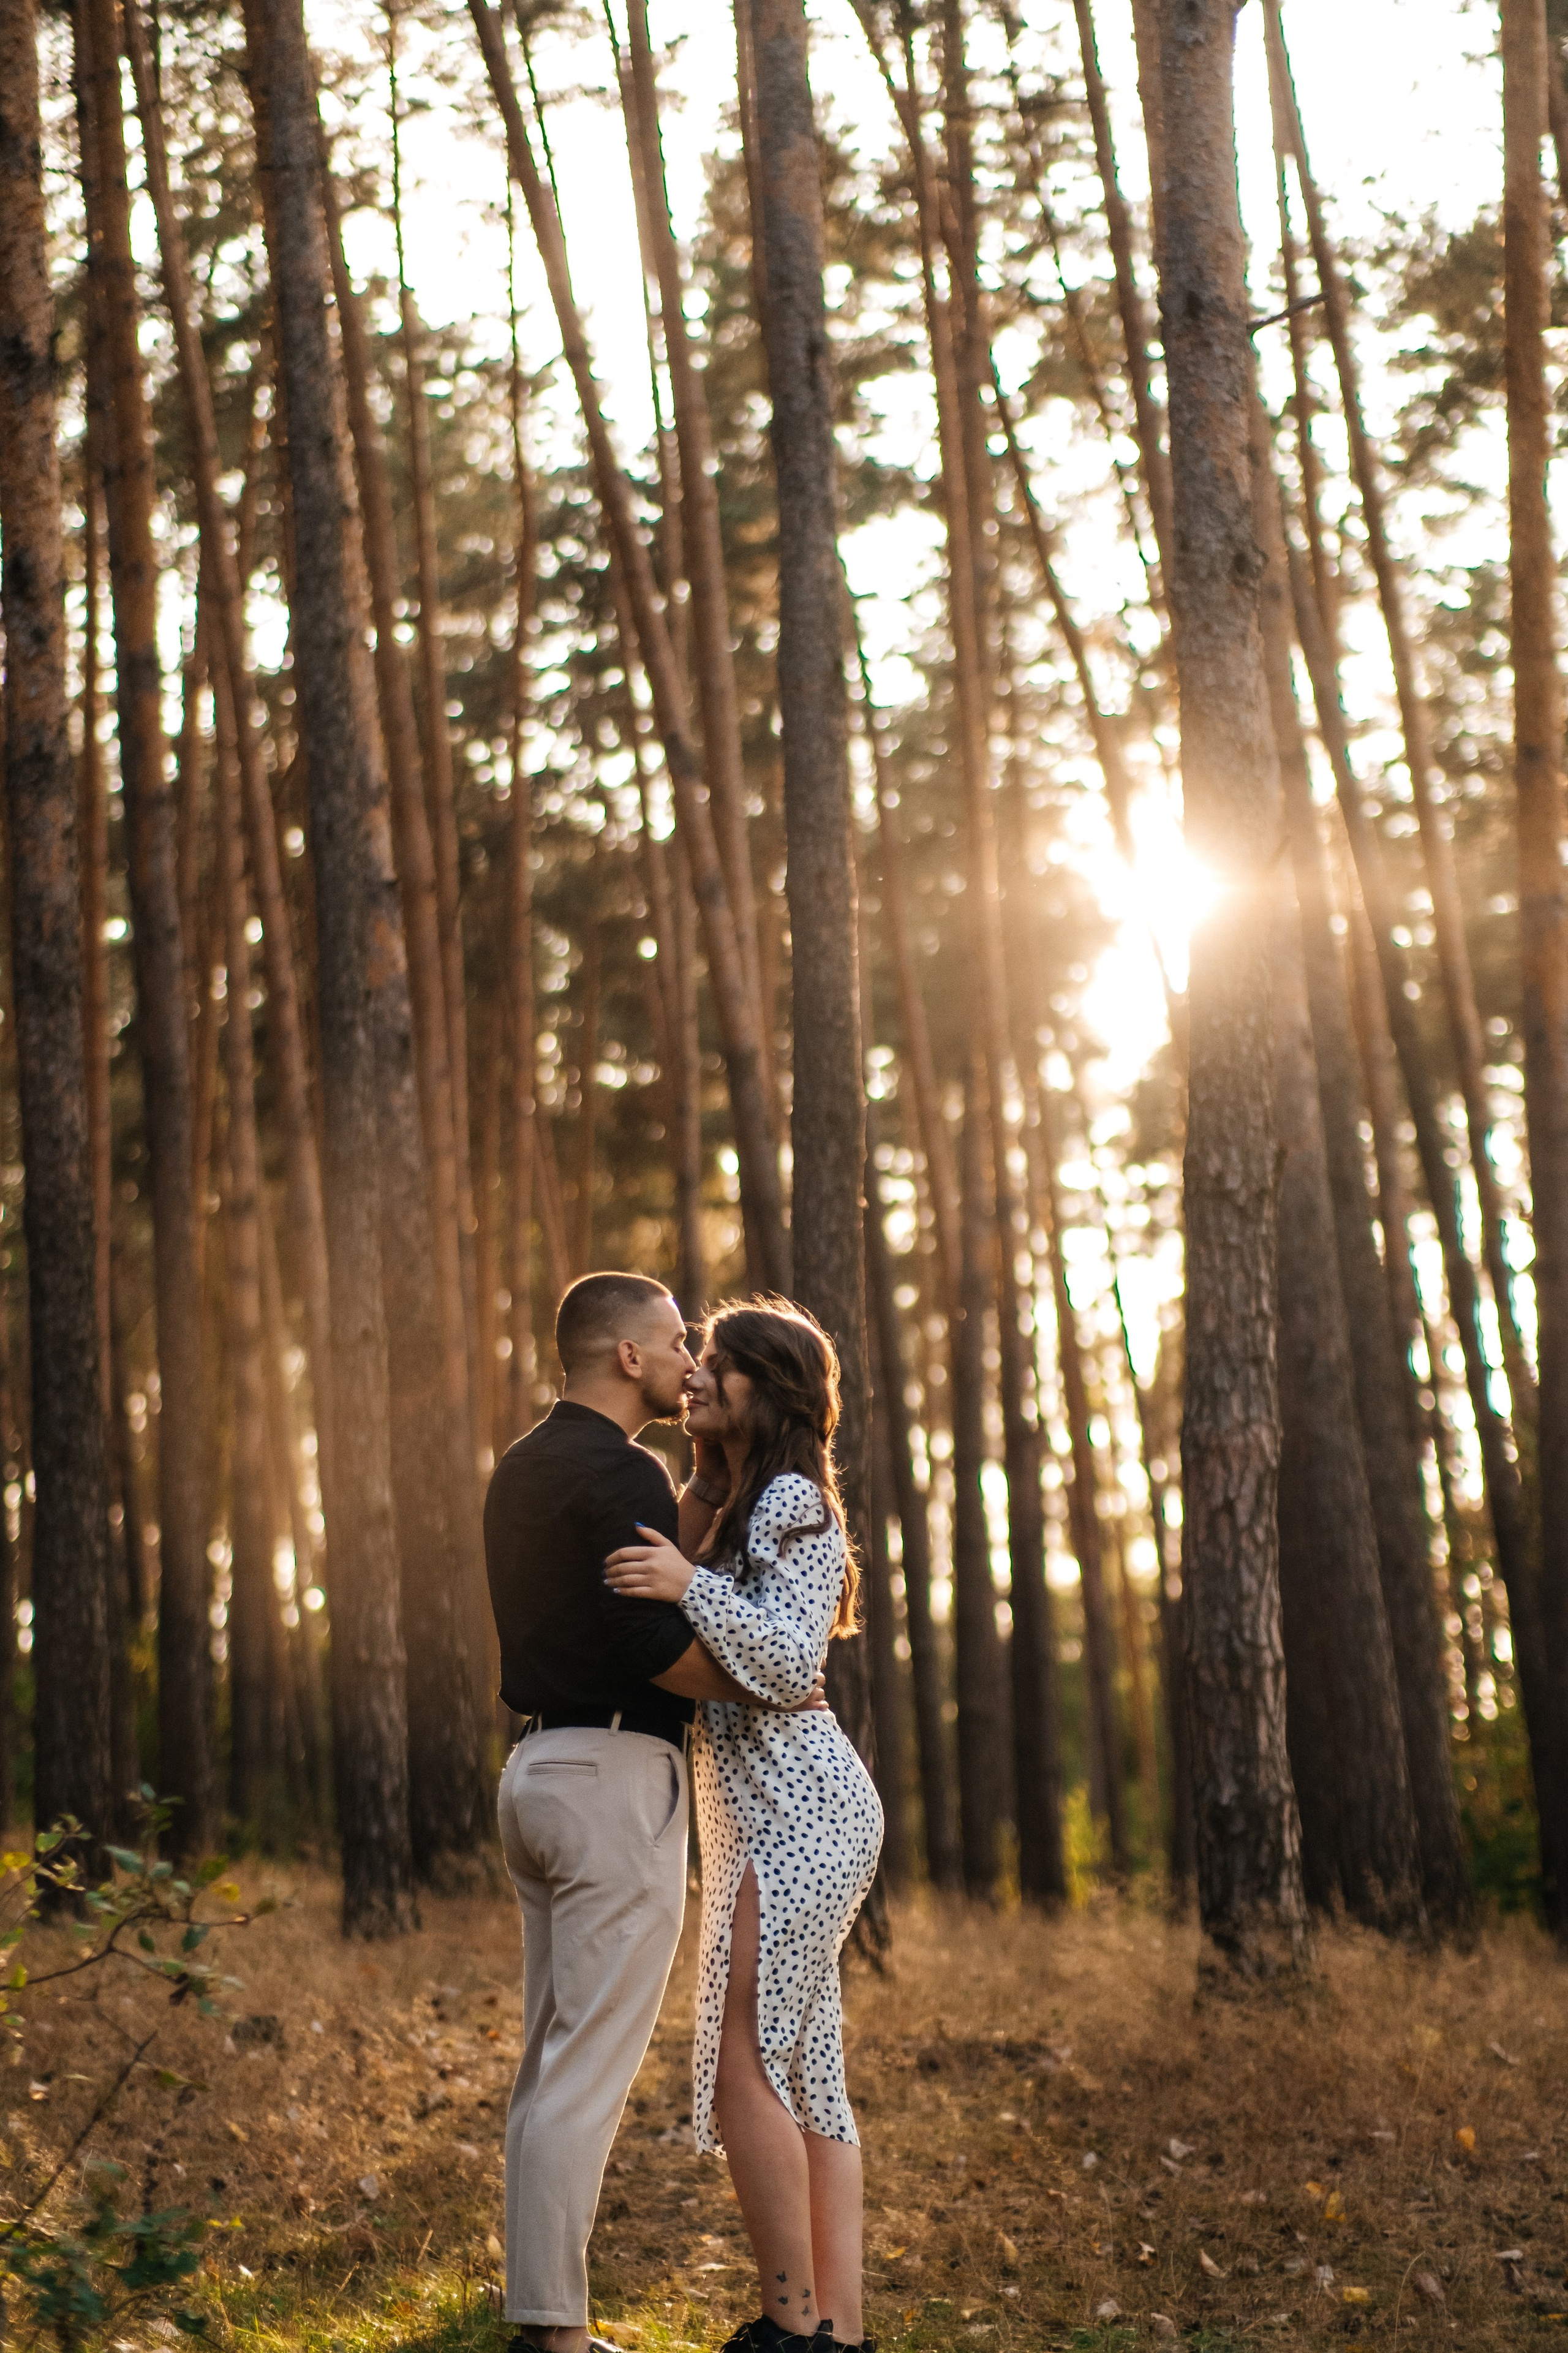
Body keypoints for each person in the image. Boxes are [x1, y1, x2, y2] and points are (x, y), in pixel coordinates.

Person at [485, 1272, 825, 2353]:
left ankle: (541, 2314)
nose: (691, 1359)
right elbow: (644, 1640)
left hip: (535, 1772)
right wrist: (768, 1683)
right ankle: (557, 2336)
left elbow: (606, 1598)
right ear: (627, 1357)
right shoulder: (620, 1465)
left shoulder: (519, 1468)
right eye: (678, 1341)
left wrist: (703, 1496)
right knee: (584, 2069)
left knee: (549, 2060)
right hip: (615, 1784)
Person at [605, 1297, 884, 2353]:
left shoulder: (797, 1503)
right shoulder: (734, 1500)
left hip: (799, 1806)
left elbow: (782, 1663)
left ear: (767, 1389)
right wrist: (694, 1511)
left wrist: (686, 1584)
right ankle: (836, 2333)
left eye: (716, 1364)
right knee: (805, 2070)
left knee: (741, 2064)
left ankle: (790, 2325)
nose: (696, 1376)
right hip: (759, 1814)